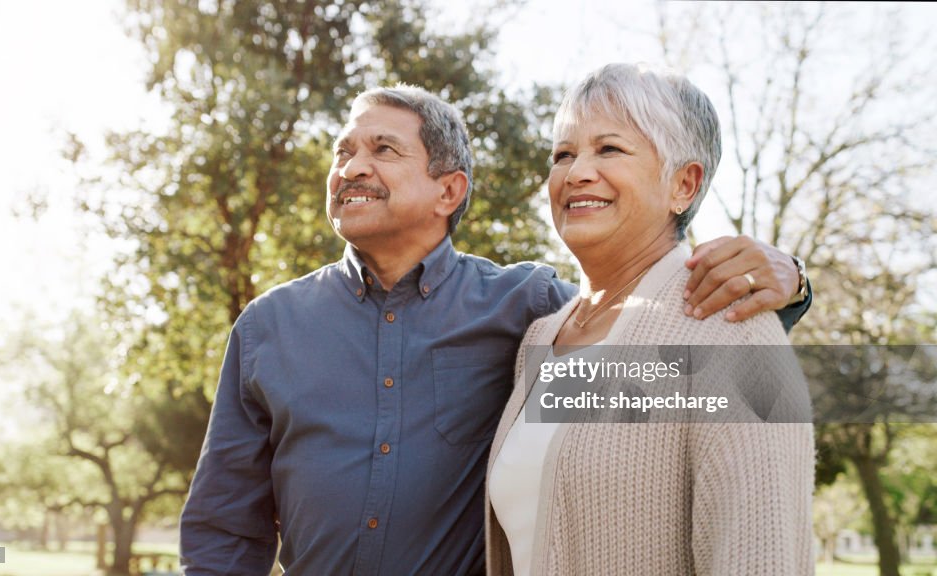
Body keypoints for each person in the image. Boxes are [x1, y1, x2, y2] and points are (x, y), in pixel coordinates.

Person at [179, 84, 812, 575]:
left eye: (383, 150)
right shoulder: (266, 328)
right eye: (343, 151)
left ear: (448, 190)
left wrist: (789, 286)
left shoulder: (529, 310)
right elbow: (226, 528)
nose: (350, 167)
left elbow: (656, 330)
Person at [485, 64, 814, 575]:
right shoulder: (543, 335)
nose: (576, 173)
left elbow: (761, 556)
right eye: (563, 155)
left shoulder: (732, 330)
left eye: (609, 149)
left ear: (684, 184)